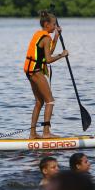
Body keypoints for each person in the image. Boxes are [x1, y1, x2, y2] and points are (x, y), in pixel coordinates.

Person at [24, 10, 68, 139]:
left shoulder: (39, 34)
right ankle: (46, 132)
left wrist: (56, 37)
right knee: (50, 101)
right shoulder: (46, 38)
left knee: (39, 102)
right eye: (54, 25)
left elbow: (47, 52)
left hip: (29, 70)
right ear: (47, 24)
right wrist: (62, 55)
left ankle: (32, 134)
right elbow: (48, 60)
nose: (55, 27)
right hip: (36, 71)